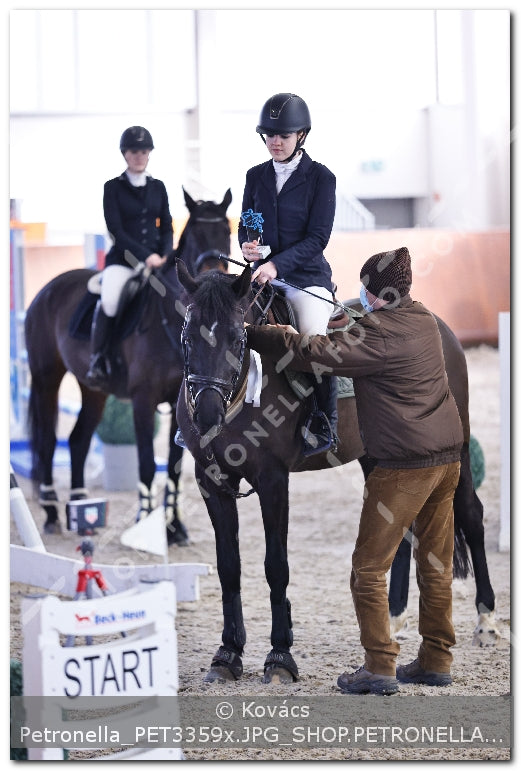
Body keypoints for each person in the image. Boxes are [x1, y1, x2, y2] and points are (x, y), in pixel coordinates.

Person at [245, 246, 463, 695]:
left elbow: (314, 353)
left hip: (403, 468)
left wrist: (264, 334)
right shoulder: (422, 318)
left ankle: (380, 667)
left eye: (365, 288)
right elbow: (369, 333)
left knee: (367, 568)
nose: (360, 294)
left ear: (378, 295)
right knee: (435, 562)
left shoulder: (376, 337)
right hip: (447, 461)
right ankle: (436, 659)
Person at [238, 92, 338, 457]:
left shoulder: (321, 179)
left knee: (312, 336)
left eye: (283, 135)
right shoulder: (255, 175)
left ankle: (324, 420)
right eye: (269, 135)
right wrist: (247, 246)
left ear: (302, 136)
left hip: (305, 279)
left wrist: (276, 265)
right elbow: (248, 222)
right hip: (261, 275)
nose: (275, 142)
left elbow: (318, 238)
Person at [86, 126, 173, 387]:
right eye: (134, 151)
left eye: (144, 151)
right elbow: (116, 231)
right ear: (125, 154)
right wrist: (147, 256)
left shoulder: (158, 187)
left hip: (159, 261)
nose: (139, 156)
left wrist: (166, 254)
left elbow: (167, 225)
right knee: (110, 300)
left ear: (149, 154)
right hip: (124, 261)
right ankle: (99, 358)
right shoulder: (112, 188)